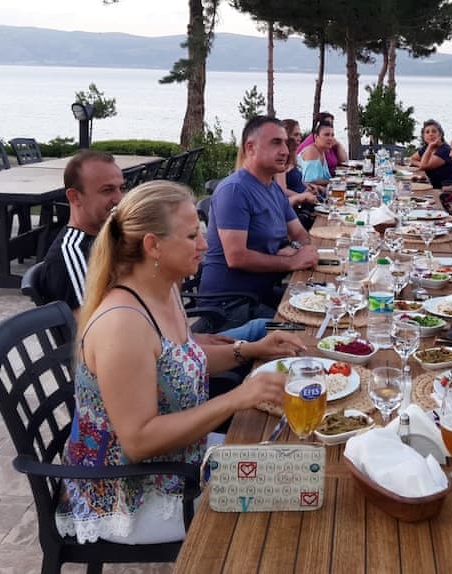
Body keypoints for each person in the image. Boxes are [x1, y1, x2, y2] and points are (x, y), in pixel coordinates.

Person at [55, 180, 307, 545]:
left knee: (301, 462)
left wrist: (251, 350)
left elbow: (180, 364)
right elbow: (139, 440)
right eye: (192, 236)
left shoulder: (163, 288)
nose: (204, 245)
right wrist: (236, 398)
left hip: (181, 460)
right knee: (295, 499)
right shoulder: (123, 323)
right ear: (152, 245)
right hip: (128, 495)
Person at [199, 116, 318, 311]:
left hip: (263, 293)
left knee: (325, 307)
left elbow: (299, 234)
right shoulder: (235, 190)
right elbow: (236, 257)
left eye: (285, 143)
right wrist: (291, 261)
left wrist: (295, 248)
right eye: (276, 143)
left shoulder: (273, 188)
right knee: (305, 327)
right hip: (230, 305)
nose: (285, 151)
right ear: (250, 148)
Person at [33, 150, 125, 311]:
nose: (120, 199)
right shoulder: (74, 254)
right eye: (107, 190)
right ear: (74, 197)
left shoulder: (108, 237)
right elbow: (91, 322)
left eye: (121, 188)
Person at [409, 119, 452, 189]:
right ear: (423, 136)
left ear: (440, 134)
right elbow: (412, 159)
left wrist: (430, 147)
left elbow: (423, 166)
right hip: (435, 186)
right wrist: (420, 163)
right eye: (427, 132)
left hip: (448, 188)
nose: (430, 134)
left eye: (434, 131)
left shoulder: (445, 150)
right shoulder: (426, 148)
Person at [296, 120, 335, 185]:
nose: (330, 138)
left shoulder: (321, 150)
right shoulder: (312, 151)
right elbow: (310, 180)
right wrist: (335, 182)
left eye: (332, 135)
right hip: (307, 190)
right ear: (316, 137)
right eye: (326, 135)